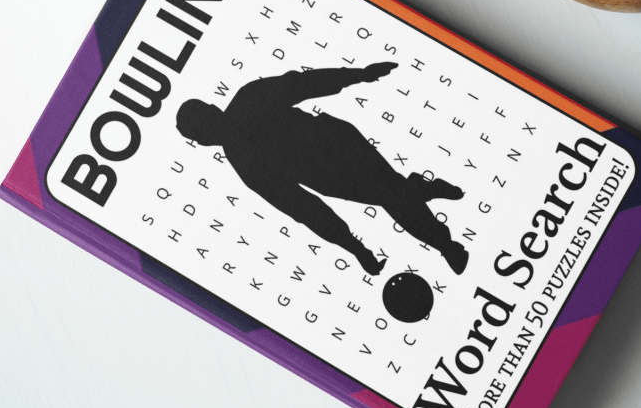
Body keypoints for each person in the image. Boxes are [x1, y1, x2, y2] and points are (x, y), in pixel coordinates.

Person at [175, 62, 468, 276]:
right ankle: (423, 191)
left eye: (204, 130)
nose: (210, 134)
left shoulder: (245, 143)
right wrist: (353, 247)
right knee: (392, 191)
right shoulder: (245, 126)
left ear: (204, 139)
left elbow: (303, 84)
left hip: (335, 151)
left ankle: (445, 242)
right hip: (335, 159)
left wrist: (354, 247)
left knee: (390, 195)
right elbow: (303, 208)